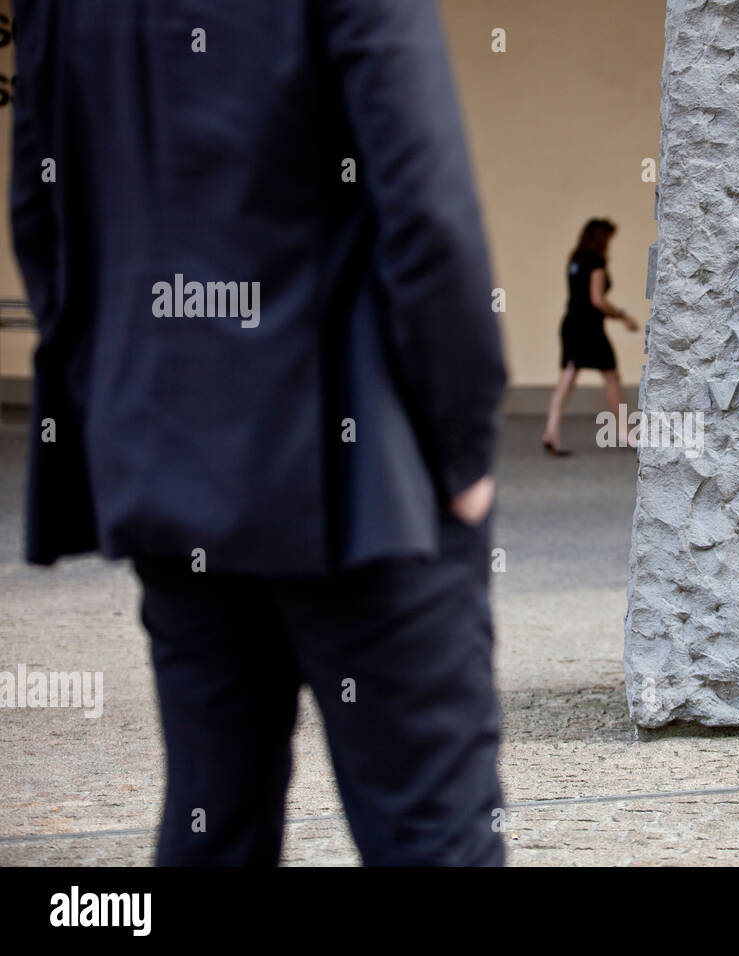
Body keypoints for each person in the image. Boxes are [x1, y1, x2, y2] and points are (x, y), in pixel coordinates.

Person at [11, 0, 508, 866]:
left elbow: (40, 212)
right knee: (434, 838)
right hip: (361, 480)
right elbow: (427, 206)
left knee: (214, 824)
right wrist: (464, 450)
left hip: (170, 459)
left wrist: (117, 409)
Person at [541, 218, 638, 455]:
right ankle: (625, 432)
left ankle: (551, 430)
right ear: (601, 239)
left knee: (568, 376)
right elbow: (597, 300)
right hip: (589, 328)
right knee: (612, 377)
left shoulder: (575, 260)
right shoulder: (596, 262)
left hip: (570, 324)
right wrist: (622, 316)